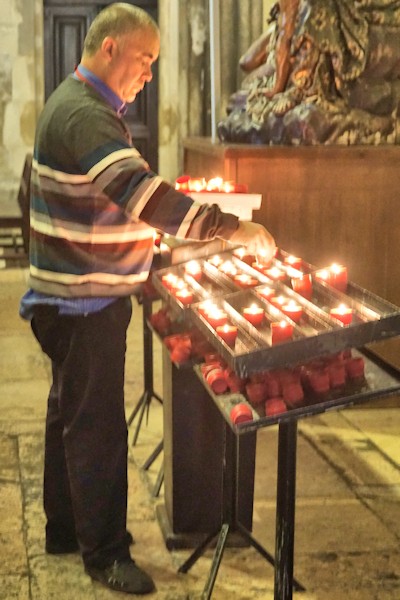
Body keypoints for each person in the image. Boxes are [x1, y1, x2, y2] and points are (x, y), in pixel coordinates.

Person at [19, 3, 276, 596]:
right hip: (83, 303)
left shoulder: (83, 106)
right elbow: (142, 195)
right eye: (144, 59)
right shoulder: (85, 114)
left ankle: (65, 527)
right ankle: (105, 553)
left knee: (70, 414)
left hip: (70, 295)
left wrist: (149, 246)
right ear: (110, 48)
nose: (149, 74)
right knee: (97, 426)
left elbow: (113, 199)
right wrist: (229, 228)